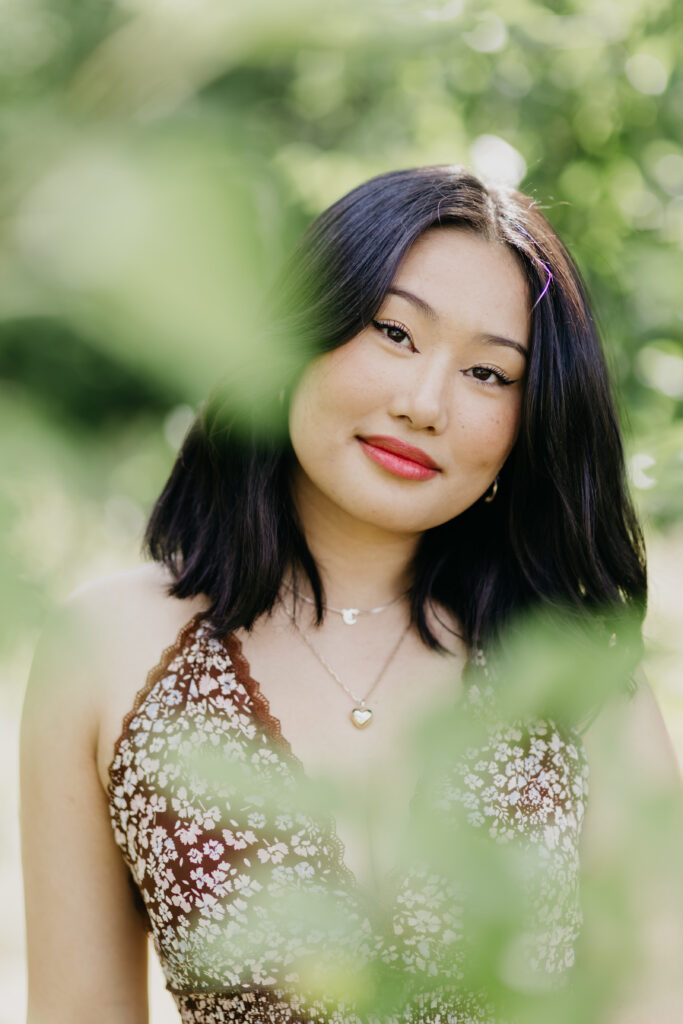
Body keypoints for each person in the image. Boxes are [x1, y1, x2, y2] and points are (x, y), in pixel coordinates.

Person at [20, 165, 680, 1024]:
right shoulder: (105, 649)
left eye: (488, 374)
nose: (423, 403)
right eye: (393, 332)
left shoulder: (578, 683)